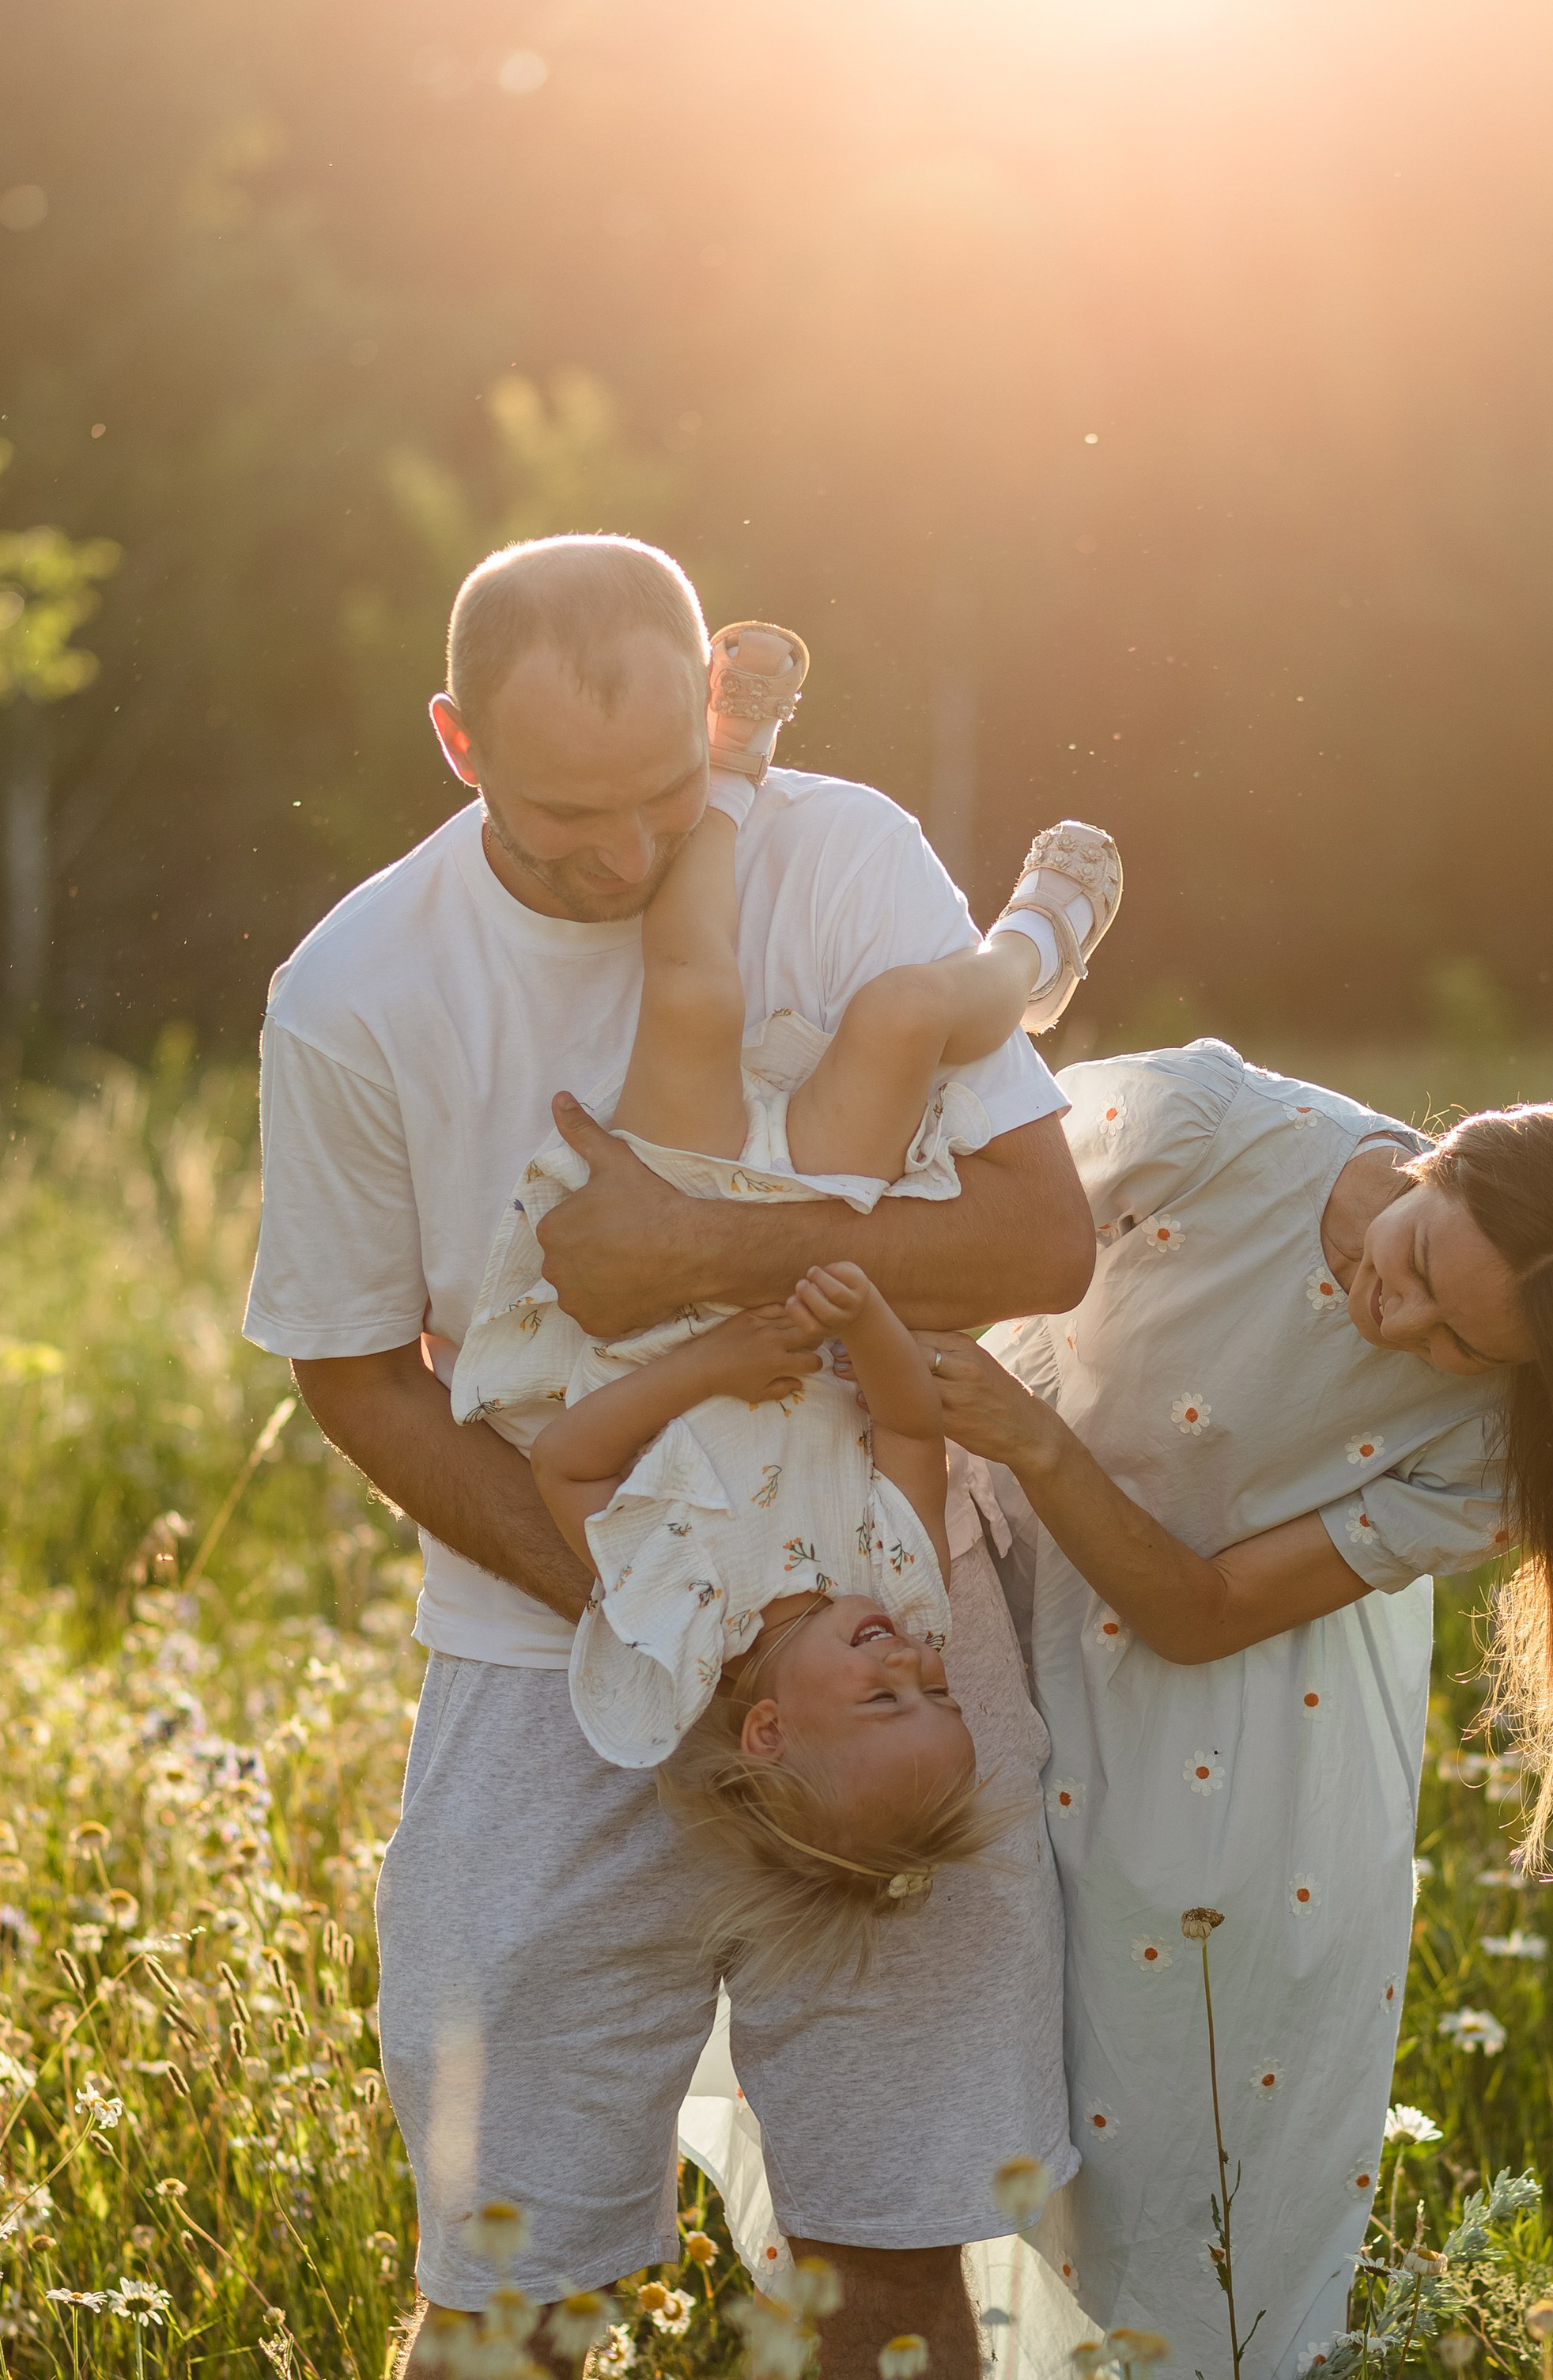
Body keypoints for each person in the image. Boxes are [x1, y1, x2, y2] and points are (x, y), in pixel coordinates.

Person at [240, 535, 1094, 2380]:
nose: (622, 859)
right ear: (455, 747)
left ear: (718, 712)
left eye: (659, 798)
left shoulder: (838, 854)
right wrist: (615, 1593)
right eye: (557, 822)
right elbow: (351, 1368)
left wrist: (704, 1254)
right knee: (506, 2262)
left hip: (885, 1649)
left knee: (896, 2235)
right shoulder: (356, 994)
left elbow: (1033, 1236)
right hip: (550, 1676)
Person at [920, 1039, 1553, 2380]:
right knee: (942, 2051)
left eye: (1459, 1342)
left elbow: (1207, 1609)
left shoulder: (1505, 1439)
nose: (1395, 1314)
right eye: (1419, 1256)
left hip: (1246, 1740)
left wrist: (1035, 1434)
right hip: (992, 1602)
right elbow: (941, 1198)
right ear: (1449, 1152)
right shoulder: (1207, 1128)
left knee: (1181, 2139)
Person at [458, 619, 1125, 1966]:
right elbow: (908, 1431)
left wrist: (715, 1364)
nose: (916, 1661)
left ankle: (730, 767)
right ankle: (1036, 954)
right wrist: (863, 1315)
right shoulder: (902, 1582)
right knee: (894, 1018)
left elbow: (571, 1467)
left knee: (692, 995)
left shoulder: (673, 1616)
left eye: (888, 1700)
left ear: (767, 1730)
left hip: (670, 1254)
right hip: (818, 1224)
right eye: (939, 1688)